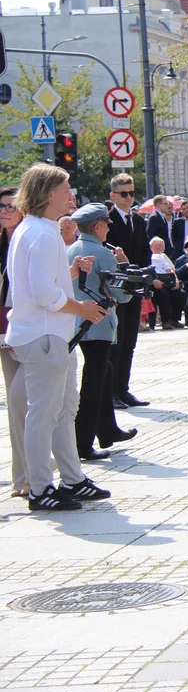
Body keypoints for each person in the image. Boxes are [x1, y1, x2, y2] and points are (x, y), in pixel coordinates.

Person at [6, 164, 111, 511]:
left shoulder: (36, 229)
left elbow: (41, 284)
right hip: (45, 336)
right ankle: (40, 488)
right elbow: (42, 293)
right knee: (44, 414)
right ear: (49, 194)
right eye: (66, 189)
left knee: (63, 410)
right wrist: (80, 308)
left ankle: (72, 478)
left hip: (50, 334)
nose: (71, 195)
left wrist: (70, 287)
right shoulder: (41, 233)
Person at [67, 203, 138, 460]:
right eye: (107, 223)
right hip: (97, 323)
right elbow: (121, 294)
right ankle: (83, 442)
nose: (109, 227)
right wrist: (125, 265)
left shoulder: (71, 249)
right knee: (94, 382)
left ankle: (107, 430)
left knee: (104, 372)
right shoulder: (103, 252)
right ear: (97, 225)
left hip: (76, 323)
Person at [106, 173, 151, 409]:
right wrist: (126, 268)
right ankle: (112, 392)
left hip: (134, 288)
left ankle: (123, 389)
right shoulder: (108, 221)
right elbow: (109, 253)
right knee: (117, 342)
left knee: (130, 342)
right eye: (124, 193)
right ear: (113, 196)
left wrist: (141, 273)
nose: (129, 197)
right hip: (116, 289)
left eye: (132, 193)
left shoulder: (139, 220)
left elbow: (144, 250)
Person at [0, 187, 29, 497]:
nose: (5, 211)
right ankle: (21, 477)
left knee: (23, 402)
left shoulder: (27, 239)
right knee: (14, 404)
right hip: (3, 328)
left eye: (11, 206)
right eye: (2, 206)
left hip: (25, 327)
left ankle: (33, 475)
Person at [148, 237, 186, 329]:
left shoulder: (162, 257)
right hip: (152, 281)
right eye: (155, 245)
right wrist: (153, 280)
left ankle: (174, 320)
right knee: (163, 294)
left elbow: (170, 270)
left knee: (181, 293)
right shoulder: (147, 256)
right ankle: (165, 321)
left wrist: (176, 281)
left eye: (160, 246)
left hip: (166, 279)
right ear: (150, 246)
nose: (158, 247)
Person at [146, 195, 177, 259]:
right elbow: (151, 236)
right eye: (165, 204)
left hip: (167, 252)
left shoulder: (163, 218)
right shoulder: (154, 218)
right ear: (158, 205)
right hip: (160, 253)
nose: (168, 206)